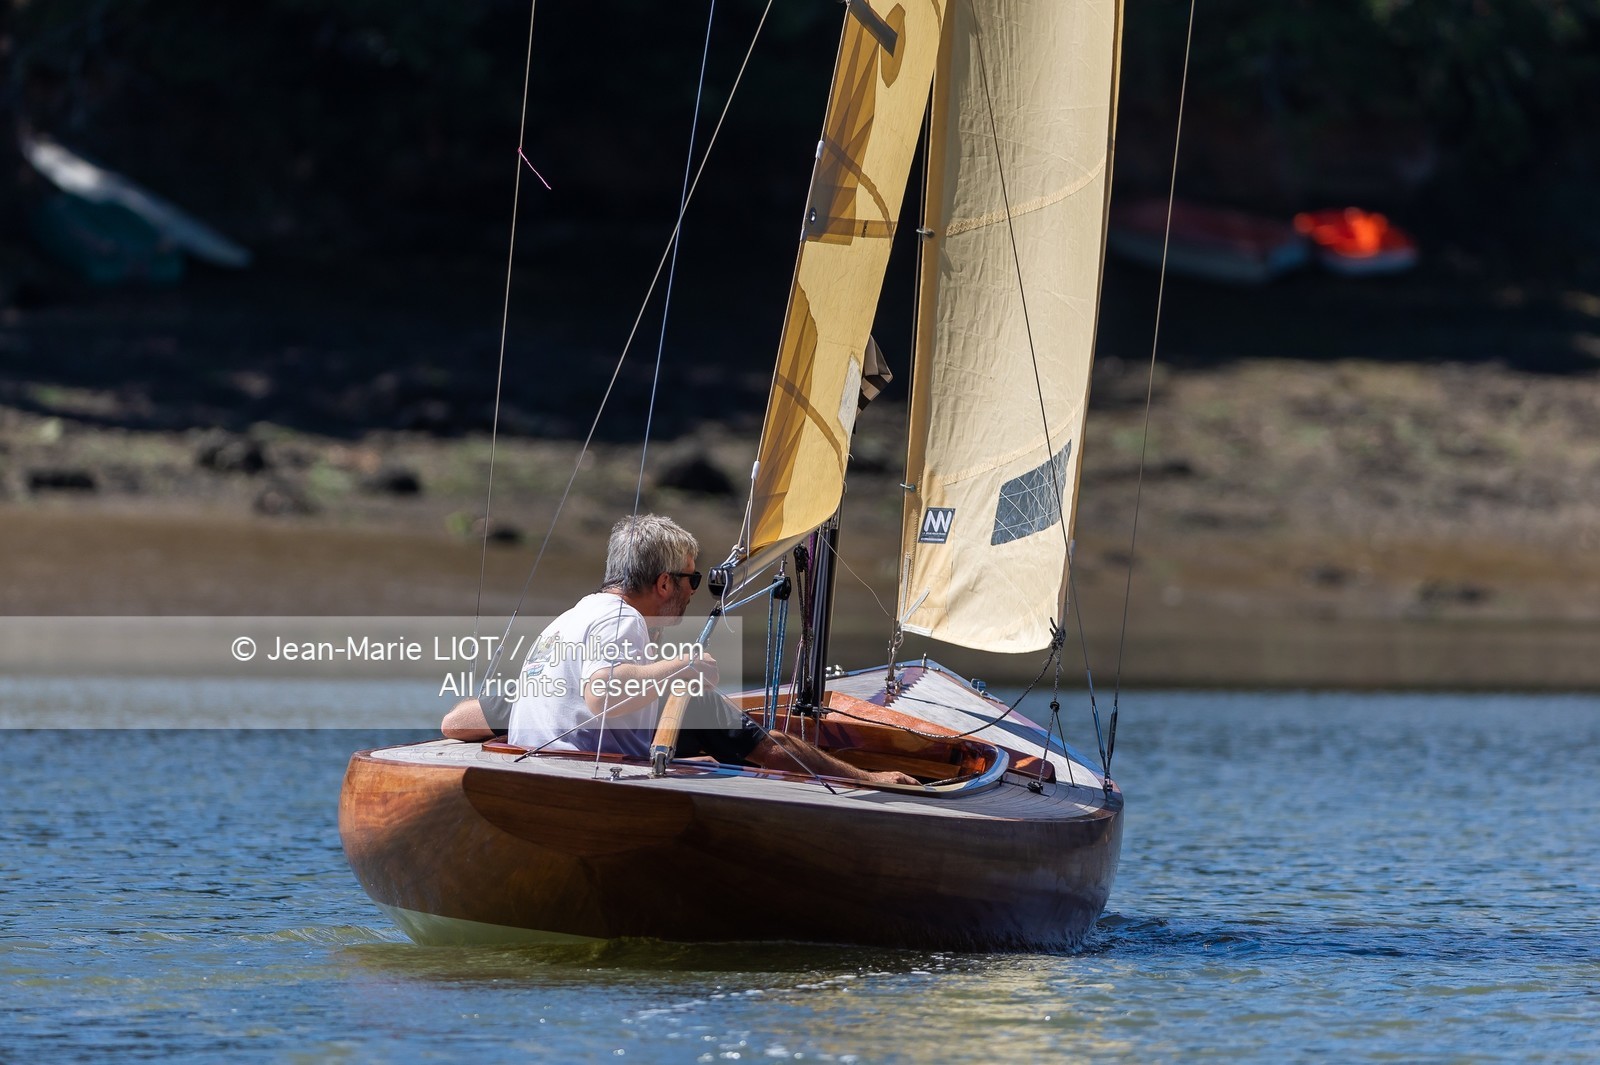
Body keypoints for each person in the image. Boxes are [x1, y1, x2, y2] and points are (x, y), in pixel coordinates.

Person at [441, 514, 916, 786]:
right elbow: (602, 694)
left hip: (531, 777)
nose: (694, 590)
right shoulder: (623, 620)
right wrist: (871, 779)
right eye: (692, 578)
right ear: (665, 582)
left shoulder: (566, 622)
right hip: (589, 792)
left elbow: (456, 722)